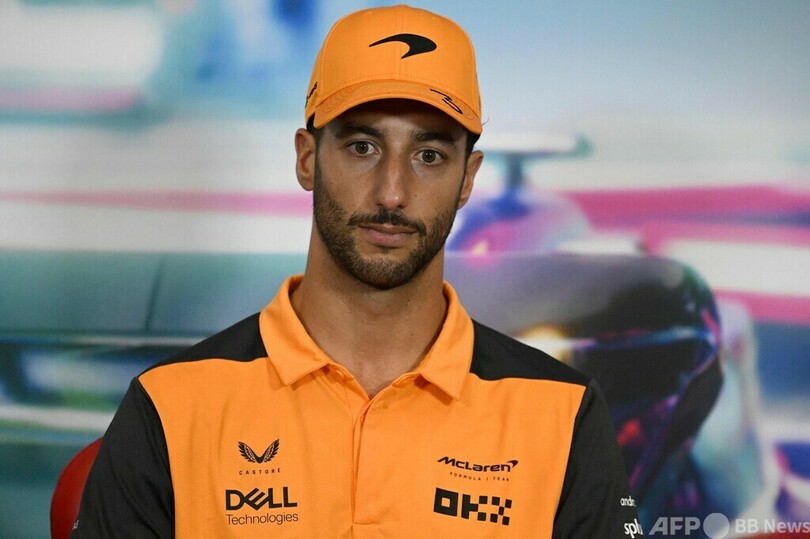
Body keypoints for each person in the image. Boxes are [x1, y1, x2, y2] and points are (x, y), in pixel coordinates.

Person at [73, 5, 641, 537]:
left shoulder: (562, 412)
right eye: (363, 147)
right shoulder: (171, 404)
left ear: (468, 179)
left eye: (429, 156)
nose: (392, 192)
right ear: (306, 158)